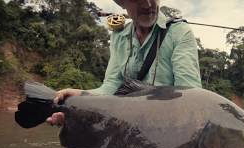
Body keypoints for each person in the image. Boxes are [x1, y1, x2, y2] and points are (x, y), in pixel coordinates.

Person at [47, 0, 202, 126]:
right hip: (126, 124)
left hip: (165, 126)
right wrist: (81, 97)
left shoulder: (180, 32)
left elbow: (190, 96)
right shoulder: (119, 36)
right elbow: (112, 85)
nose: (148, 4)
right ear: (122, 3)